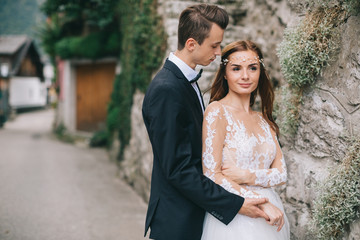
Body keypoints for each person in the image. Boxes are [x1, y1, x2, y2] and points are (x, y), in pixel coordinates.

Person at [142, 4, 272, 240]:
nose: (220, 51)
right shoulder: (166, 90)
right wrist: (236, 203)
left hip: (195, 214)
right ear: (191, 44)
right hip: (177, 223)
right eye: (214, 45)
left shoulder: (184, 82)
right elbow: (178, 169)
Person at [201, 40, 290, 239]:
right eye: (236, 68)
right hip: (237, 214)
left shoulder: (263, 119)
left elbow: (281, 174)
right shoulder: (217, 112)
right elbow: (211, 174)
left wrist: (245, 176)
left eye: (252, 68)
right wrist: (261, 202)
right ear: (225, 74)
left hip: (270, 218)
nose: (245, 76)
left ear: (260, 71)